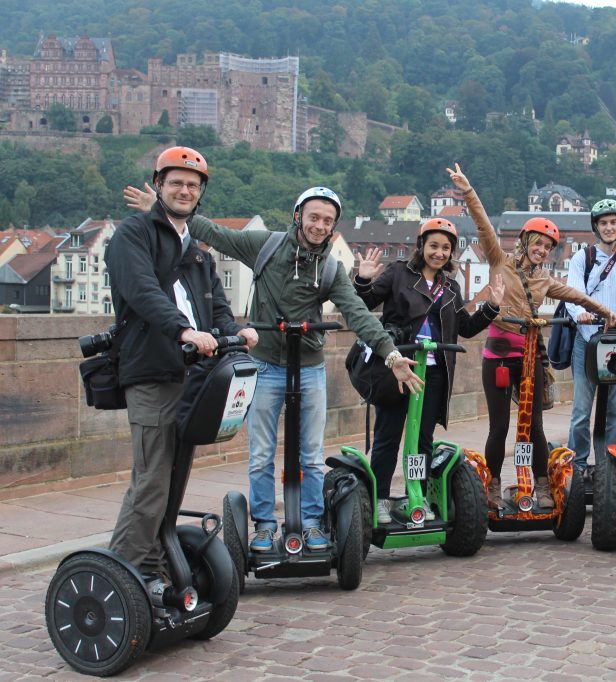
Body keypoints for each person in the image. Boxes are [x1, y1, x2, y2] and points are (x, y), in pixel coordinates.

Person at [123, 183, 423, 553]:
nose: (319, 225)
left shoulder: (330, 269)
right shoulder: (265, 246)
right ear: (298, 216)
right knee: (261, 453)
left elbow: (359, 315)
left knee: (311, 455)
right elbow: (212, 232)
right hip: (264, 365)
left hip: (310, 367)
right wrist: (160, 206)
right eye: (313, 217)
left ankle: (311, 522)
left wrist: (391, 356)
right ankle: (264, 524)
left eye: (327, 221)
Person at [106, 146, 258, 581]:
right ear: (158, 185)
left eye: (193, 185)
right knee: (151, 481)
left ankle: (156, 568)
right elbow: (142, 292)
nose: (185, 189)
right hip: (152, 372)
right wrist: (183, 330)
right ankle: (125, 575)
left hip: (193, 377)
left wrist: (237, 331)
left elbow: (217, 304)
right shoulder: (133, 235)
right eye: (176, 182)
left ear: (201, 193)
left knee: (174, 481)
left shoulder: (196, 251)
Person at [447, 163, 615, 509]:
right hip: (498, 355)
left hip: (529, 359)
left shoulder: (545, 281)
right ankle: (492, 486)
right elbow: (482, 223)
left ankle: (539, 485)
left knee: (534, 426)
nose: (542, 251)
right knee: (499, 428)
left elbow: (576, 296)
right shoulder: (499, 260)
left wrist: (604, 312)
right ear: (525, 242)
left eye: (548, 247)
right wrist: (467, 189)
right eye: (538, 244)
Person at [352, 218, 505, 522]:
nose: (439, 252)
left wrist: (491, 307)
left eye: (446, 248)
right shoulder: (398, 273)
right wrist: (363, 279)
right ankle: (380, 498)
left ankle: (416, 496)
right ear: (421, 246)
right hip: (400, 366)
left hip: (434, 374)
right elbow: (365, 303)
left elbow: (465, 327)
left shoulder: (450, 288)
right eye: (434, 245)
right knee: (388, 435)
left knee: (422, 441)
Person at [564, 199, 616, 473]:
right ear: (596, 227)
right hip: (588, 340)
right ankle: (577, 464)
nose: (609, 227)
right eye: (603, 223)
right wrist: (581, 314)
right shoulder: (583, 258)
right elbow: (573, 294)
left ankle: (612, 462)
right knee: (581, 411)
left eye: (613, 222)